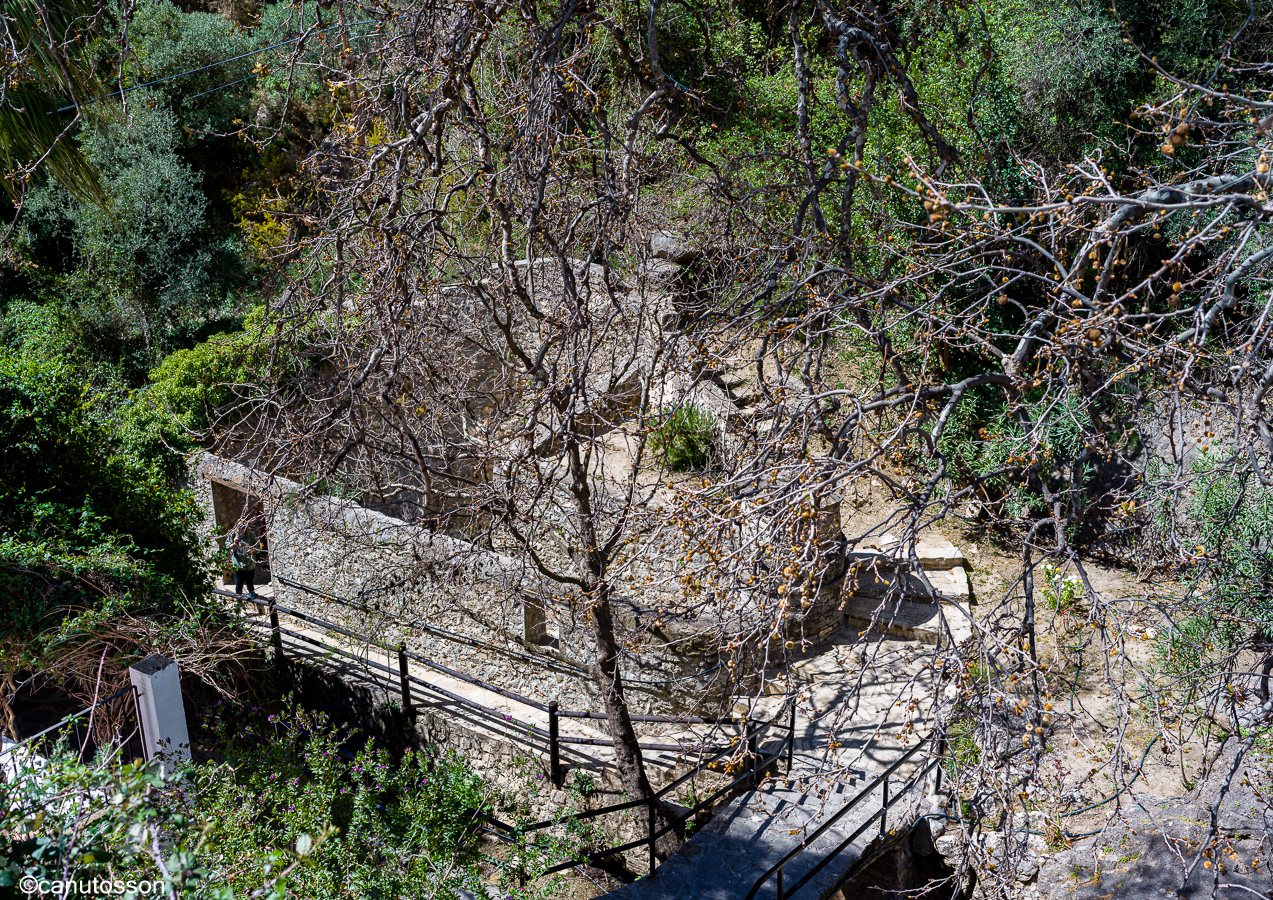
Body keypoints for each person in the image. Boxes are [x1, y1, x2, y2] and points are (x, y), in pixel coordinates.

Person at [227, 518, 260, 600]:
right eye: (238, 529)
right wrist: (234, 543)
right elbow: (228, 547)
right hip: (238, 565)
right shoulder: (233, 535)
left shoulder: (251, 535)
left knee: (250, 583)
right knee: (239, 584)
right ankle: (238, 600)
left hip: (249, 565)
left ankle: (252, 597)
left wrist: (252, 550)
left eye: (242, 529)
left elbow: (258, 548)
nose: (240, 531)